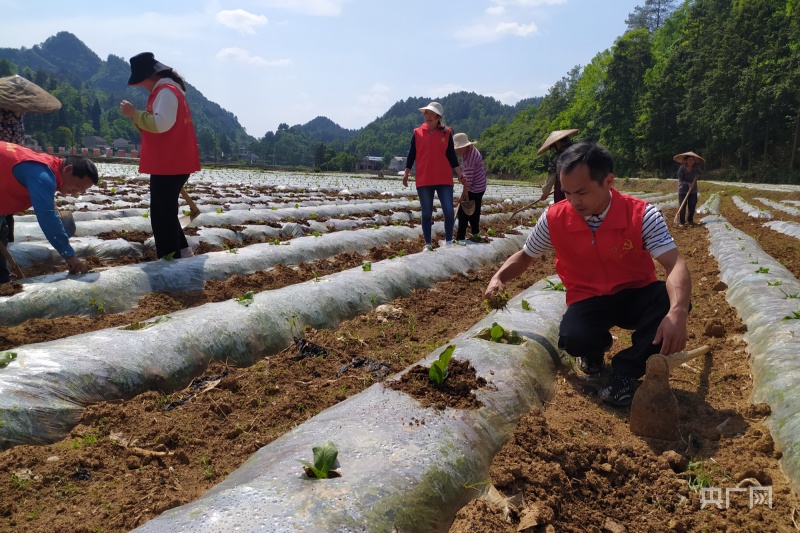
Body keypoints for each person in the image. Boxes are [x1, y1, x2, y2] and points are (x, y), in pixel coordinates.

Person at [485, 142, 691, 406]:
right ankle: (594, 348)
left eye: (580, 192)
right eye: (567, 192)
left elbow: (675, 264)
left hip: (635, 293)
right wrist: (498, 277)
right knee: (573, 338)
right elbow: (526, 255)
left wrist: (678, 312)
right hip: (589, 298)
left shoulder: (641, 215)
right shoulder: (554, 218)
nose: (573, 201)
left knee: (668, 303)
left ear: (608, 181)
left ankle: (626, 372)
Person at [120, 52, 200, 259]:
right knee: (166, 211)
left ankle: (169, 259)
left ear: (148, 77)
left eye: (140, 83)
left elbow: (161, 124)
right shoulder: (168, 91)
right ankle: (182, 252)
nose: (141, 87)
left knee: (161, 214)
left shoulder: (166, 92)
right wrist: (136, 117)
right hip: (171, 162)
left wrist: (134, 114)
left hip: (169, 162)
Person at [0, 141, 98, 282]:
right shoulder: (42, 175)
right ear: (68, 170)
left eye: (81, 190)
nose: (76, 192)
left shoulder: (47, 168)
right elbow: (47, 216)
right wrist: (69, 255)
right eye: (77, 186)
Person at [0, 75, 63, 268]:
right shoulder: (3, 115)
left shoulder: (19, 116)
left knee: (6, 215)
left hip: (12, 168)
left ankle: (5, 255)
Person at [402, 102, 465, 251]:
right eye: (426, 113)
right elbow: (412, 154)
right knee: (426, 213)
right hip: (424, 179)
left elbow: (451, 155)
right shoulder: (417, 133)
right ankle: (428, 244)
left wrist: (459, 173)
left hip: (443, 179)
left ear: (438, 117)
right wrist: (406, 173)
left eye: (432, 114)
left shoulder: (446, 133)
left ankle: (449, 242)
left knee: (449, 211)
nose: (428, 116)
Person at [453, 133, 486, 244]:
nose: (457, 150)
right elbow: (466, 176)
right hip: (479, 185)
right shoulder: (468, 151)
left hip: (476, 187)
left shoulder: (470, 157)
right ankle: (475, 233)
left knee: (463, 213)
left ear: (465, 145)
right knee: (474, 211)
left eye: (459, 148)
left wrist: (462, 197)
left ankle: (460, 237)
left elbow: (469, 181)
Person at [535, 129, 579, 205]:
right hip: (583, 187)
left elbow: (551, 176)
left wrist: (545, 193)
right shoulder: (579, 151)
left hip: (563, 189)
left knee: (563, 210)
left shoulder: (556, 157)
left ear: (557, 143)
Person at [674, 151, 703, 225]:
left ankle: (690, 220)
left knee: (692, 204)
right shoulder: (682, 168)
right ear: (686, 160)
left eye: (692, 159)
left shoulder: (696, 167)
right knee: (682, 205)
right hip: (683, 190)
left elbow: (699, 174)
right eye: (689, 159)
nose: (691, 161)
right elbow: (680, 179)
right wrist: (688, 183)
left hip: (693, 190)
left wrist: (698, 175)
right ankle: (682, 222)